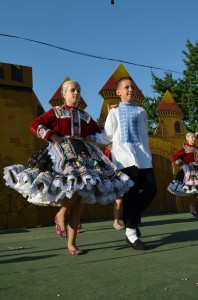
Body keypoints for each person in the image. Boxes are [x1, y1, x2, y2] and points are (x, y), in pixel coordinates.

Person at [3, 80, 133, 255]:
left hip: (84, 155)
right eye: (72, 90)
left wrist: (110, 115)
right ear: (64, 94)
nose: (76, 93)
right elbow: (35, 125)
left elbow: (99, 134)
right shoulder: (56, 112)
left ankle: (71, 243)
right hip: (62, 155)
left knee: (80, 198)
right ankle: (62, 214)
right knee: (74, 193)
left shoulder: (85, 116)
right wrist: (51, 136)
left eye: (78, 90)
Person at [91, 77, 157, 250]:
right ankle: (131, 233)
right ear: (118, 92)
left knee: (151, 190)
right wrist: (89, 137)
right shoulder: (114, 112)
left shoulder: (142, 111)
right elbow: (107, 136)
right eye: (126, 87)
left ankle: (132, 220)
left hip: (143, 158)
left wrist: (148, 156)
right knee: (131, 195)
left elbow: (144, 136)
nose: (131, 90)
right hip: (123, 159)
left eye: (133, 87)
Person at [167, 132, 198, 218]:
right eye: (192, 137)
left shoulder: (197, 148)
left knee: (196, 192)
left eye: (194, 137)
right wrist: (183, 164)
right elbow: (174, 156)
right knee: (194, 192)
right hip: (190, 172)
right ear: (187, 138)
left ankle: (193, 208)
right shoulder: (185, 148)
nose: (194, 139)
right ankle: (193, 208)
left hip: (197, 171)